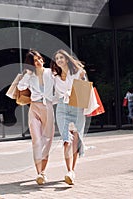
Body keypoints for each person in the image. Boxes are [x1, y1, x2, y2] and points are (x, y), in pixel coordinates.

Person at [17, 49, 55, 185]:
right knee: (36, 141)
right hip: (34, 108)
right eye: (35, 61)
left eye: (39, 59)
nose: (38, 62)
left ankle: (43, 171)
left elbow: (63, 82)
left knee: (47, 141)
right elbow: (21, 87)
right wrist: (27, 74)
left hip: (48, 108)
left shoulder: (50, 73)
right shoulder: (30, 75)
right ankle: (39, 173)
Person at [50, 49, 86, 185]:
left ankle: (72, 171)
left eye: (61, 58)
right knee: (66, 139)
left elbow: (83, 90)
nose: (59, 60)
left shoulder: (77, 73)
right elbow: (54, 94)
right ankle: (68, 170)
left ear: (66, 59)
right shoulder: (55, 77)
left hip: (76, 105)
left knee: (76, 139)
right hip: (62, 108)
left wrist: (82, 78)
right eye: (57, 58)